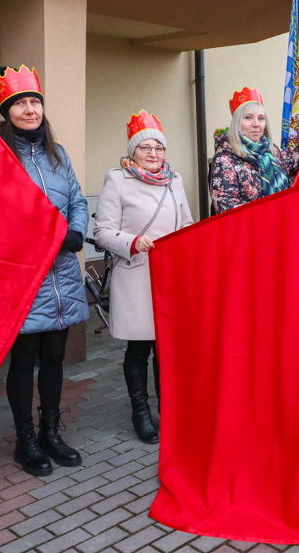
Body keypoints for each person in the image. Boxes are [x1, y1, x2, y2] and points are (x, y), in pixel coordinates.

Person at [0, 65, 89, 476]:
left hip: (62, 275)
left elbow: (78, 202)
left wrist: (76, 232)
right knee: (24, 360)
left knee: (54, 359)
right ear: (6, 110)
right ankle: (25, 441)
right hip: (23, 276)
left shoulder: (58, 153)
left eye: (34, 102)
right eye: (20, 103)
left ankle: (51, 432)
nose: (29, 109)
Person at [93, 111, 193, 444]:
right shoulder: (117, 180)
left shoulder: (174, 179)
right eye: (145, 148)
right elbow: (102, 231)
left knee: (167, 349)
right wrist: (133, 243)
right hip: (137, 274)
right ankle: (141, 412)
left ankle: (169, 410)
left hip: (171, 277)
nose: (153, 154)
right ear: (133, 151)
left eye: (158, 148)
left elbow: (187, 223)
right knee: (139, 349)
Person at [210, 87, 299, 213]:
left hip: (283, 228)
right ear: (237, 123)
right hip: (253, 231)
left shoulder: (272, 152)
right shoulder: (225, 161)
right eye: (248, 118)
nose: (256, 124)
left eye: (261, 118)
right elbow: (228, 212)